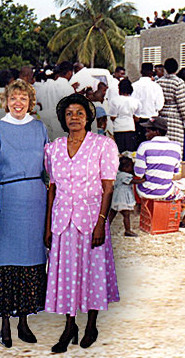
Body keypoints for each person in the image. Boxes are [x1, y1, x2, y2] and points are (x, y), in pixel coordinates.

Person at [43, 93, 120, 352]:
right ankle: (69, 326)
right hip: (62, 222)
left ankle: (91, 324)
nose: (74, 118)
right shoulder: (53, 148)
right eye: (69, 114)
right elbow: (52, 188)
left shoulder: (103, 145)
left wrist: (101, 223)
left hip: (91, 220)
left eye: (79, 113)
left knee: (92, 273)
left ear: (88, 117)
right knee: (66, 276)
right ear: (63, 119)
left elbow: (108, 188)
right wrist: (47, 227)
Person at [0, 79, 50, 348]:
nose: (18, 103)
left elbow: (48, 168)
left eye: (23, 98)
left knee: (32, 261)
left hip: (35, 202)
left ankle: (24, 321)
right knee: (6, 262)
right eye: (13, 98)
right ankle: (5, 324)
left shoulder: (39, 128)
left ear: (30, 102)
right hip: (6, 205)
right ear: (5, 101)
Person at [132, 117, 185, 228]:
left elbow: (139, 173)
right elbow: (175, 171)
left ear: (157, 132)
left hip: (144, 192)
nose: (146, 133)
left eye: (148, 130)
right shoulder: (176, 147)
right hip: (166, 192)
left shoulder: (144, 146)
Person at [155, 58, 185, 147]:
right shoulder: (178, 82)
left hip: (162, 118)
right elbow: (182, 105)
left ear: (165, 69)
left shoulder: (159, 82)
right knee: (175, 148)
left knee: (162, 148)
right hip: (175, 120)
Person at [106, 80, 141, 154]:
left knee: (119, 153)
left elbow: (112, 117)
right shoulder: (136, 101)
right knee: (130, 153)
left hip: (118, 129)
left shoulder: (114, 101)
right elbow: (137, 118)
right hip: (131, 128)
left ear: (119, 89)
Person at [110, 157, 136, 237]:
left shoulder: (118, 174)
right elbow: (133, 181)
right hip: (122, 198)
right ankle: (127, 230)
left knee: (112, 213)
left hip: (116, 197)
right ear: (126, 168)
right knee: (126, 214)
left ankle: (105, 227)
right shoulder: (124, 175)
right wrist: (143, 180)